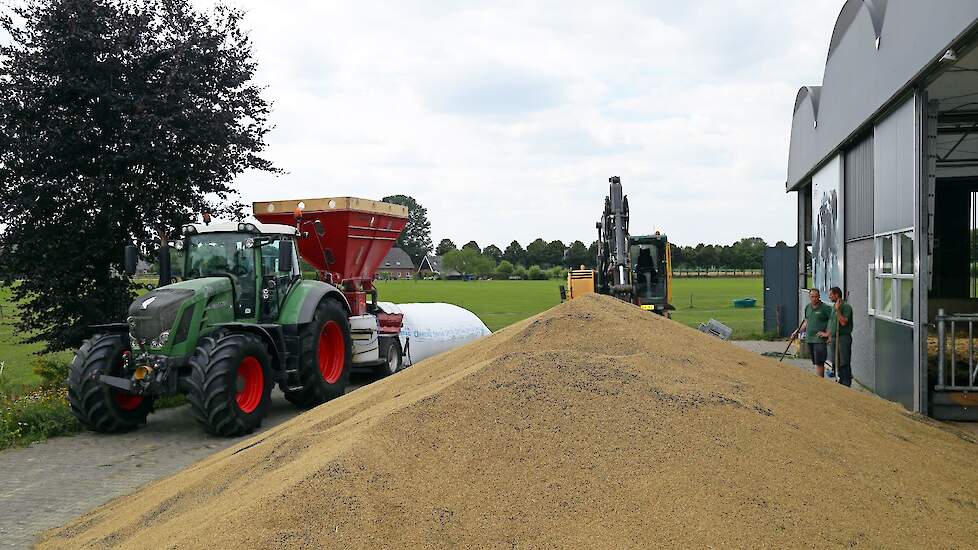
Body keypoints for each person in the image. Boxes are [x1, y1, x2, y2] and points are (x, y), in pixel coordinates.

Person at [793, 288, 833, 378]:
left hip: (819, 340)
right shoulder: (808, 307)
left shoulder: (825, 308)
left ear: (819, 297)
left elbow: (833, 319)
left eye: (816, 297)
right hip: (809, 339)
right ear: (809, 297)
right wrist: (797, 332)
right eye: (812, 297)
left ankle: (820, 382)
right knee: (815, 362)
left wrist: (828, 333)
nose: (814, 299)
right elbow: (806, 322)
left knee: (819, 362)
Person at [827, 286, 853, 387]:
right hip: (834, 337)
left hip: (843, 338)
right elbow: (832, 322)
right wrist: (829, 335)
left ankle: (846, 383)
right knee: (836, 361)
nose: (829, 297)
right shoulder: (834, 306)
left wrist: (838, 310)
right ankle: (840, 380)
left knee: (844, 361)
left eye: (831, 295)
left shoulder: (846, 307)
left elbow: (843, 322)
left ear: (836, 295)